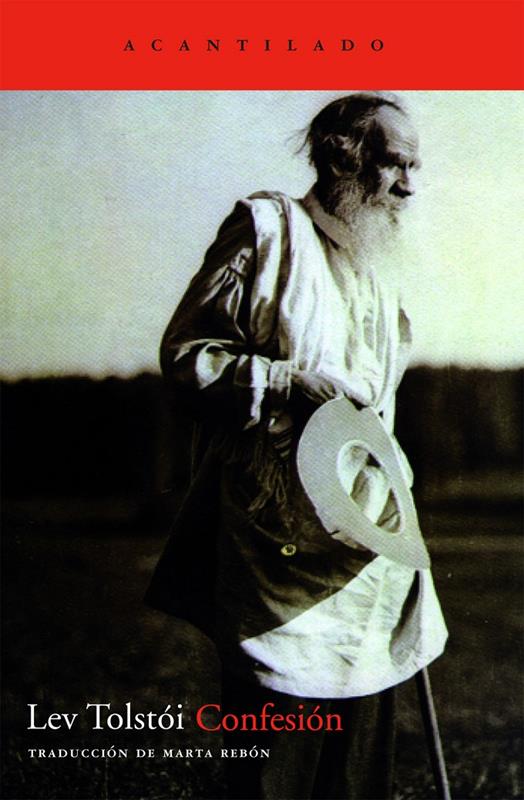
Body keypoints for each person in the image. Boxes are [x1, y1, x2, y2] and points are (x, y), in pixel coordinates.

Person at [146, 92, 447, 800]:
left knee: (358, 767)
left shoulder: (382, 266)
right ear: (342, 159)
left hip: (367, 543)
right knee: (274, 762)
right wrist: (285, 381)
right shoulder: (267, 231)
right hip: (272, 542)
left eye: (414, 168)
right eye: (395, 165)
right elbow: (186, 356)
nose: (409, 186)